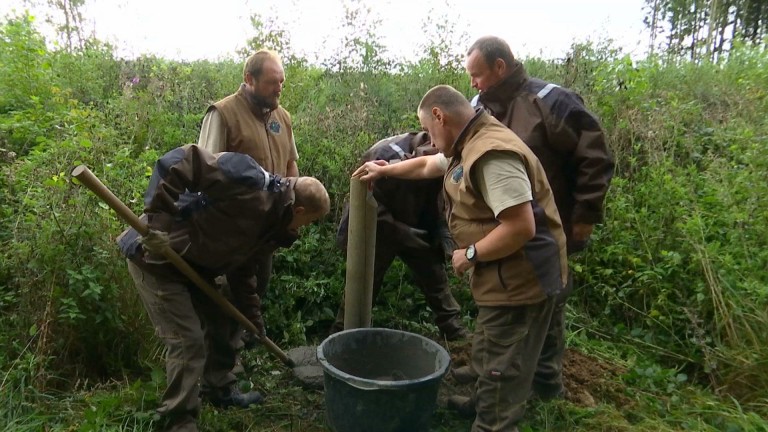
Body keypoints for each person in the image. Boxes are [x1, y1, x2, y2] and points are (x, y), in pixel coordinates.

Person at [354, 85, 568, 432]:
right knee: (487, 344)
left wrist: (469, 253)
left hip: (522, 278)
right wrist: (384, 170)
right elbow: (428, 165)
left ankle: (492, 421)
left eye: (429, 129)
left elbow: (520, 227)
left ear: (440, 116)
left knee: (504, 365)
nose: (431, 140)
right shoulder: (469, 140)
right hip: (500, 274)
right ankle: (479, 403)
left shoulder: (492, 154)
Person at [117, 144, 330, 432]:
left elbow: (242, 271)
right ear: (301, 209)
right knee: (186, 340)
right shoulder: (248, 177)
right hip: (157, 259)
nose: (302, 228)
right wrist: (159, 225)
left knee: (223, 320)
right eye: (308, 222)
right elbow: (182, 160)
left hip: (195, 265)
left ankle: (219, 388)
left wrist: (253, 321)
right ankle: (178, 420)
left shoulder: (273, 220)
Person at [461, 35, 615, 400]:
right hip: (502, 229)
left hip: (550, 226)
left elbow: (594, 158)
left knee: (549, 298)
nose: (473, 83)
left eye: (477, 75)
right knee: (503, 304)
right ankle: (493, 372)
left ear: (500, 67)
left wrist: (585, 215)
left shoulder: (550, 101)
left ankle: (544, 384)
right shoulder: (478, 107)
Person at [197, 49, 299, 354]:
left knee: (259, 283)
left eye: (281, 81)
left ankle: (236, 344)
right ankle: (221, 358)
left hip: (268, 226)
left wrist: (293, 207)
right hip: (231, 228)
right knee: (229, 291)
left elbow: (291, 165)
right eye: (272, 82)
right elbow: (205, 170)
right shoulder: (223, 113)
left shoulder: (283, 117)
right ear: (249, 79)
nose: (279, 87)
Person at [329, 132, 467, 340]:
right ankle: (342, 337)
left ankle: (454, 330)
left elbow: (441, 204)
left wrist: (447, 242)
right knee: (364, 282)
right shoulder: (383, 156)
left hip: (418, 222)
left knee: (434, 276)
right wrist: (402, 232)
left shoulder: (448, 157)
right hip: (377, 225)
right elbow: (365, 202)